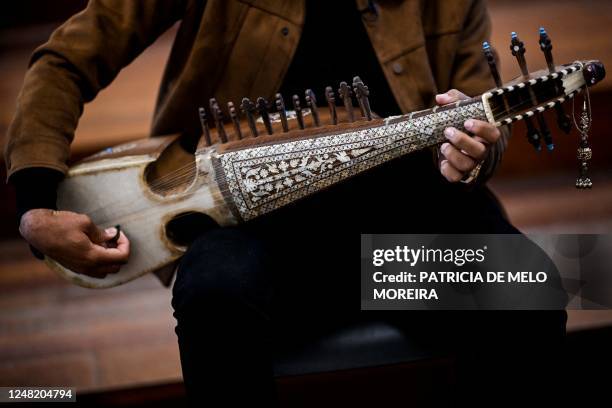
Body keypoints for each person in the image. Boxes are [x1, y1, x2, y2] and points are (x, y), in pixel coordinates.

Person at [5, 0, 566, 405]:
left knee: (527, 292)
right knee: (215, 298)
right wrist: (34, 201)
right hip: (258, 231)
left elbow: (482, 119)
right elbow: (66, 58)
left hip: (393, 252)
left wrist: (475, 153)